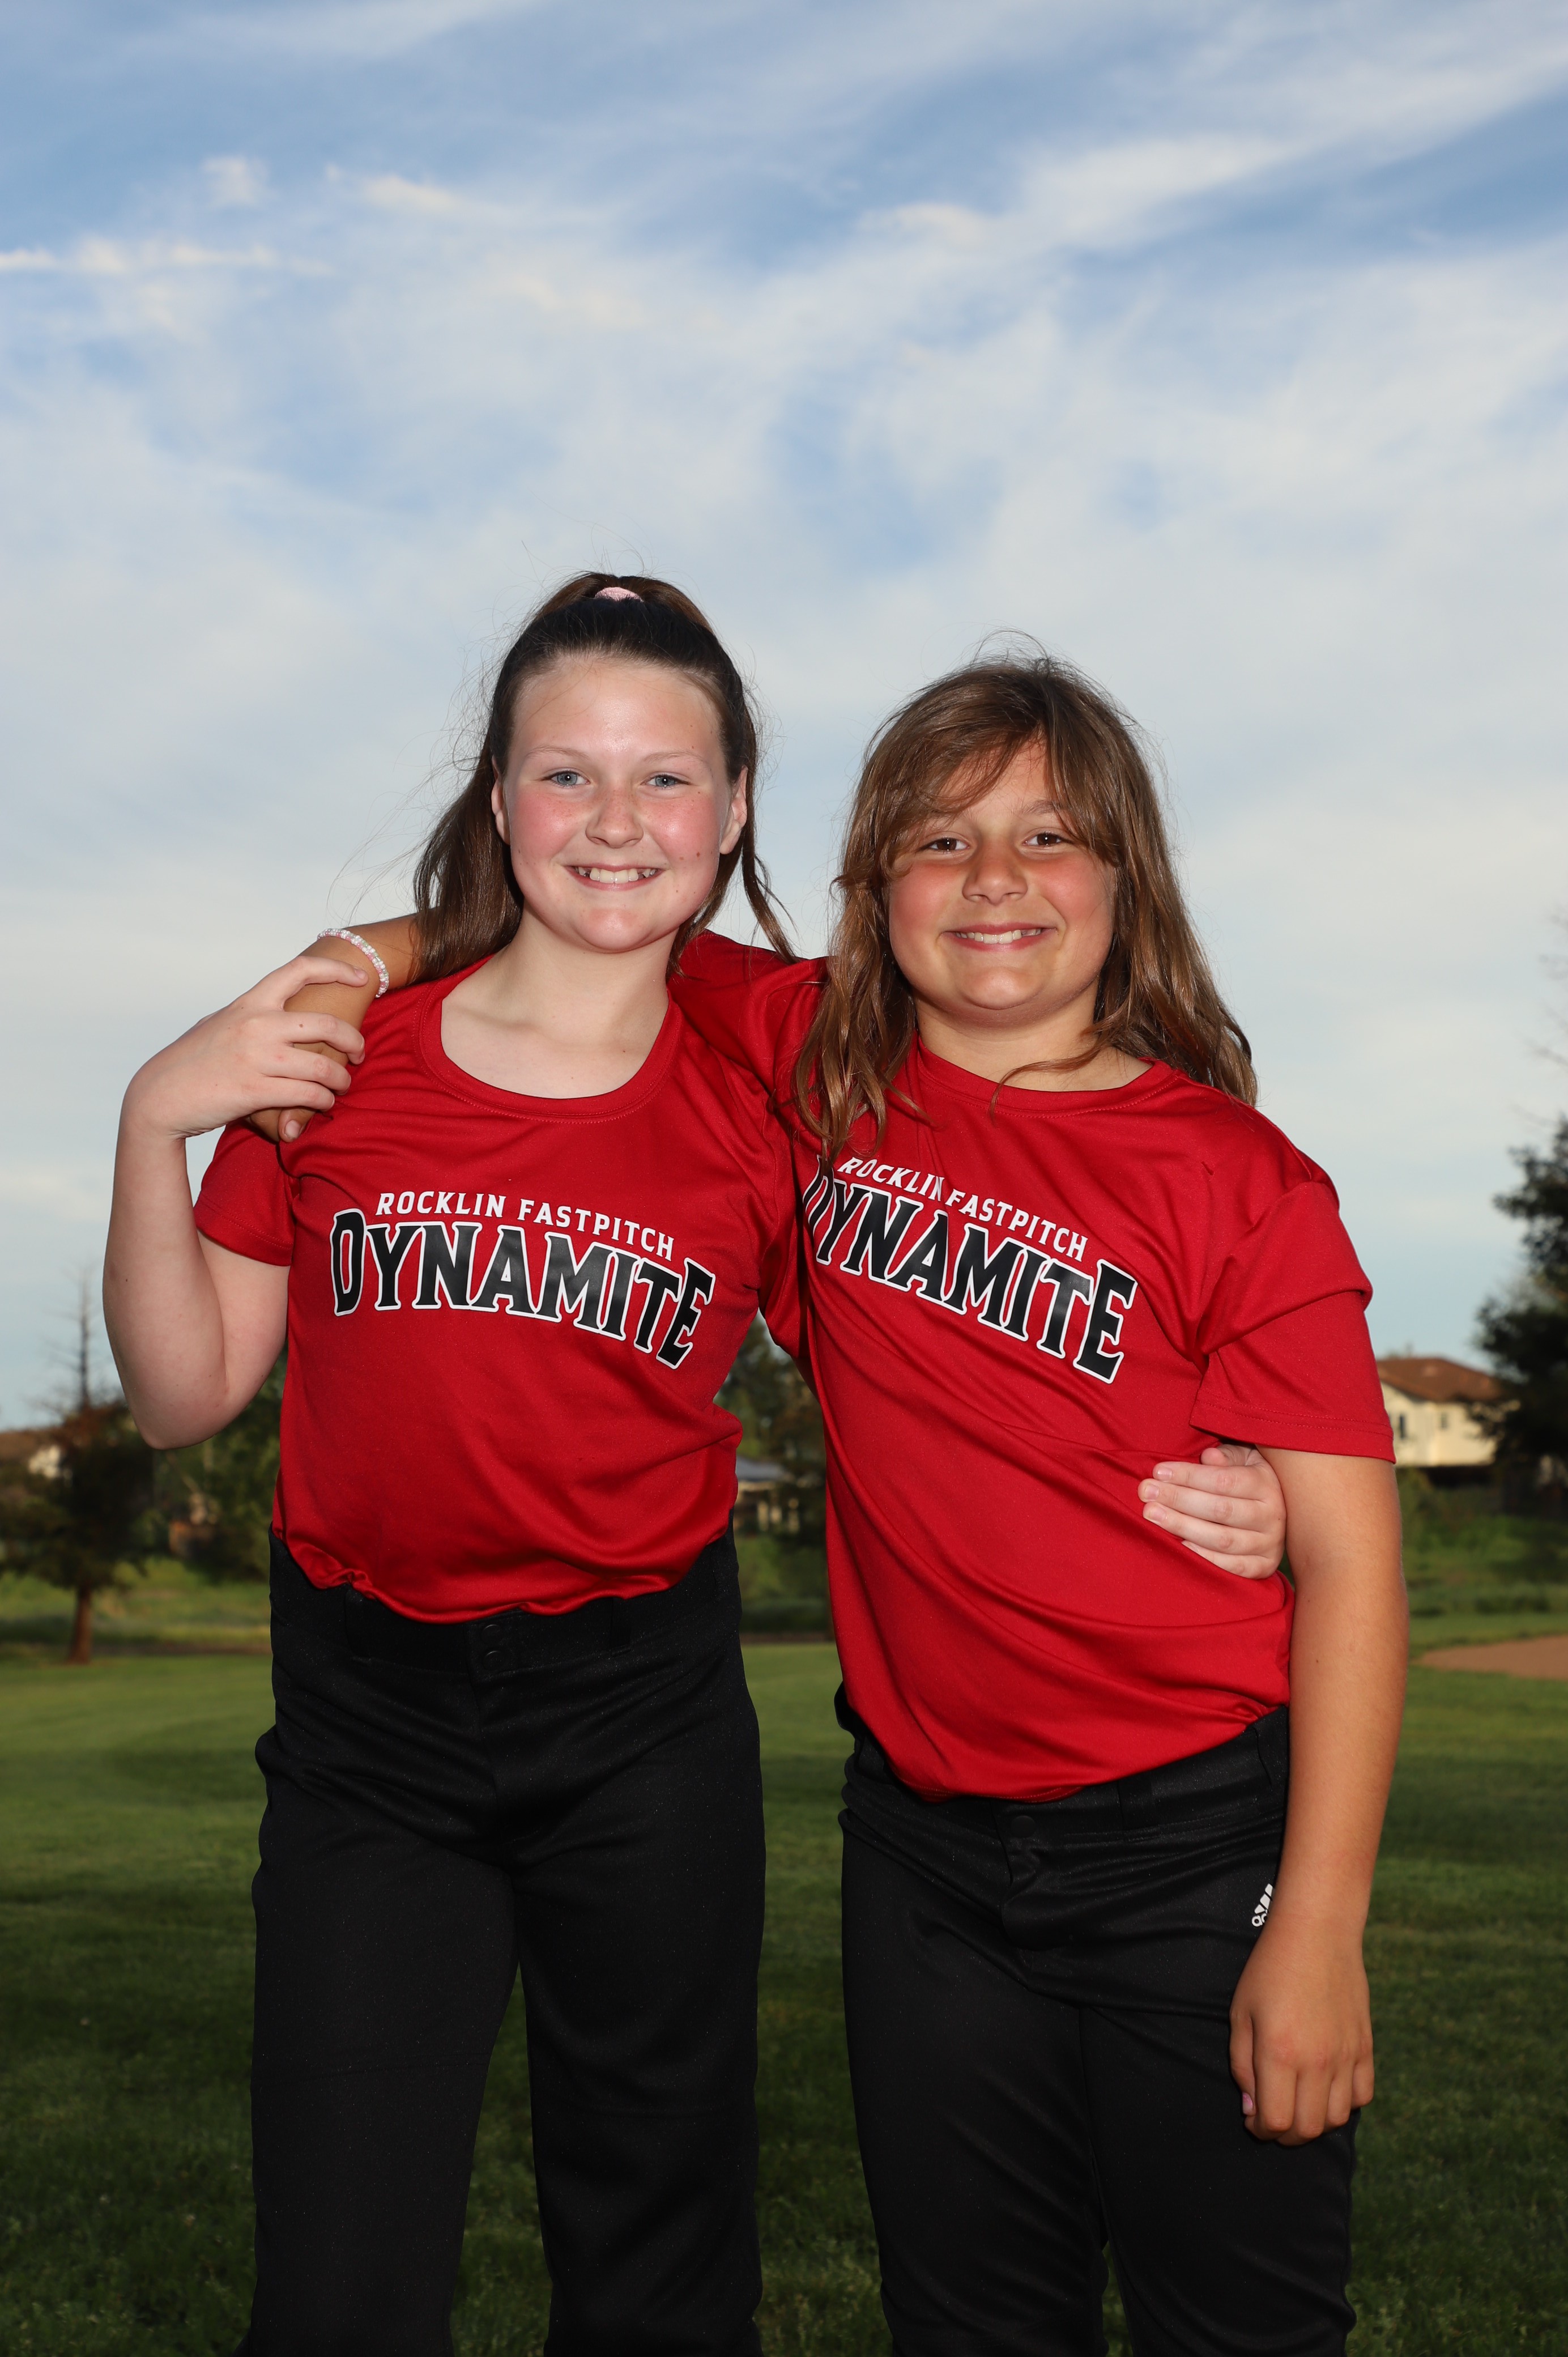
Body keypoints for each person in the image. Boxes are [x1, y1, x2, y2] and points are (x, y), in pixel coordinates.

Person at [261, 644, 1366, 2355]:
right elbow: (596, 900)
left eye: (1050, 836)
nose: (992, 881)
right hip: (923, 1854)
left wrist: (1323, 1929)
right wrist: (354, 961)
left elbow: (1360, 1578)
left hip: (1191, 1844)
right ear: (869, 891)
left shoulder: (1240, 1177)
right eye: (938, 841)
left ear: (1129, 878)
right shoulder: (817, 1062)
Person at [104, 574, 809, 2357]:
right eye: (567, 773)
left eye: (667, 777)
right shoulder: (341, 1057)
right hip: (371, 1726)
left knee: (660, 2274)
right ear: (501, 798)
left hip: (644, 1713)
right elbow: (184, 1397)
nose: (616, 819)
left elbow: (954, 1297)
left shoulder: (776, 1077)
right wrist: (152, 1116)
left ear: (733, 809)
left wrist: (1248, 1465)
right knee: (339, 2280)